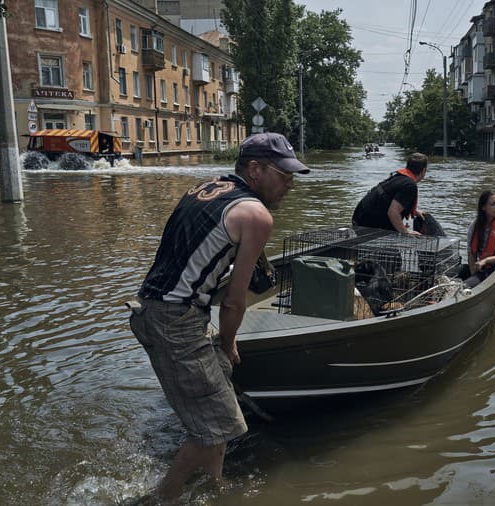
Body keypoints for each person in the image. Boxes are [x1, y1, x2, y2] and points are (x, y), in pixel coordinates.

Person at [129, 132, 309, 502]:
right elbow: (233, 302)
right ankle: (162, 499)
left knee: (220, 407)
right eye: (284, 175)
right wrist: (228, 343)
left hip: (155, 307)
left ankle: (214, 486)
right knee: (219, 427)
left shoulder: (207, 188)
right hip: (175, 321)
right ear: (255, 170)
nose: (290, 185)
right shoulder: (256, 215)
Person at [352, 152, 428, 235]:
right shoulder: (409, 186)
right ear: (424, 170)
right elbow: (393, 212)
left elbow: (391, 200)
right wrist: (406, 232)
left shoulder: (399, 177)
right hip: (369, 225)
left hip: (360, 219)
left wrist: (415, 212)